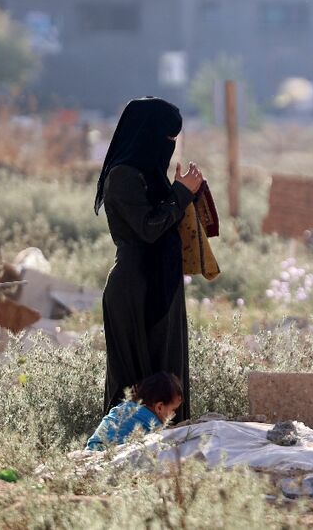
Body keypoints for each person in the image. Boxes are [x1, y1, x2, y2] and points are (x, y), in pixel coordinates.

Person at [94, 97, 203, 423]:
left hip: (161, 283)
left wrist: (187, 194)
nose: (169, 147)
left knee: (166, 377)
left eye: (175, 140)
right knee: (134, 384)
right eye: (165, 138)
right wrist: (181, 193)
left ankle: (167, 460)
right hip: (135, 289)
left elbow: (165, 218)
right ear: (147, 135)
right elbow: (148, 228)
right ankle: (122, 455)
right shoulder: (122, 176)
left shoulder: (148, 177)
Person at [86, 372, 183, 451]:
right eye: (173, 409)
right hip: (111, 455)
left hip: (91, 449)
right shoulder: (152, 425)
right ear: (159, 407)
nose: (174, 414)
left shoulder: (124, 407)